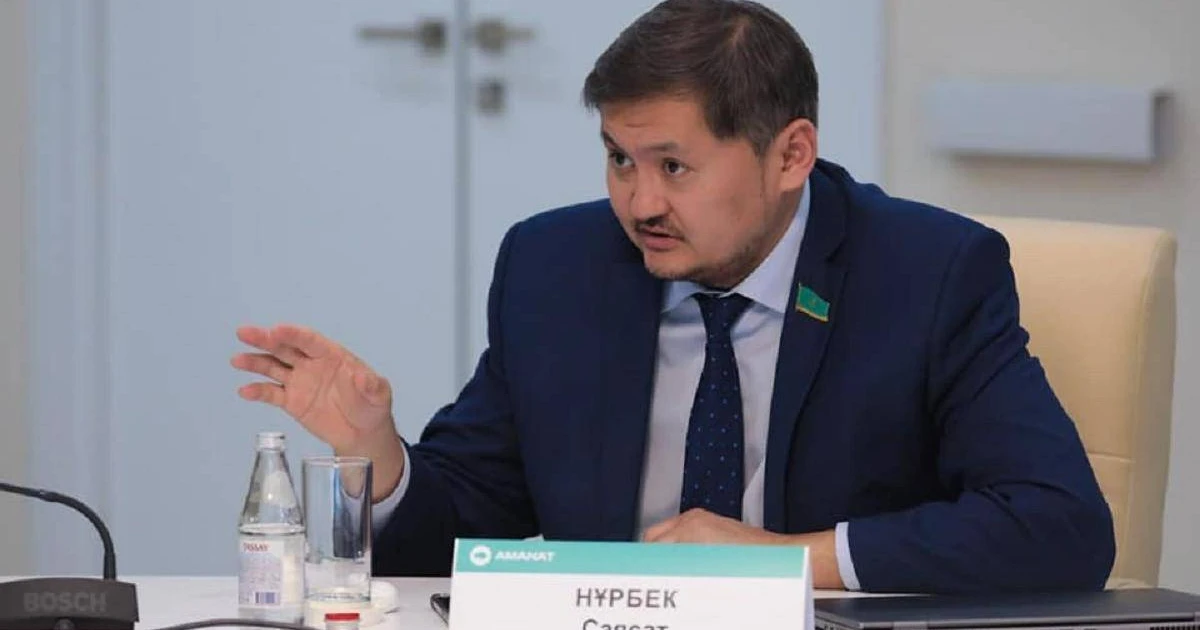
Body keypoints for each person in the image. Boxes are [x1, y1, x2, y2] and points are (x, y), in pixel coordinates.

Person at [231, 0, 1115, 594]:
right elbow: (461, 528)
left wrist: (784, 562)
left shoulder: (928, 273)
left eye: (674, 167)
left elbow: (1059, 524)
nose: (639, 202)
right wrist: (381, 459)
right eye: (620, 158)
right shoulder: (556, 267)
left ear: (791, 156)